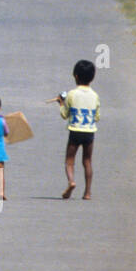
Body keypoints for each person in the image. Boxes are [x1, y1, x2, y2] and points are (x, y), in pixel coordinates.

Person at [57, 59, 100, 200]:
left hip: (75, 131)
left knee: (70, 160)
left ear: (76, 76)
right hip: (89, 132)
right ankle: (87, 192)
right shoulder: (95, 96)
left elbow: (64, 114)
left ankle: (71, 181)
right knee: (87, 161)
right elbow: (97, 116)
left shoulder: (71, 94)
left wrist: (61, 103)